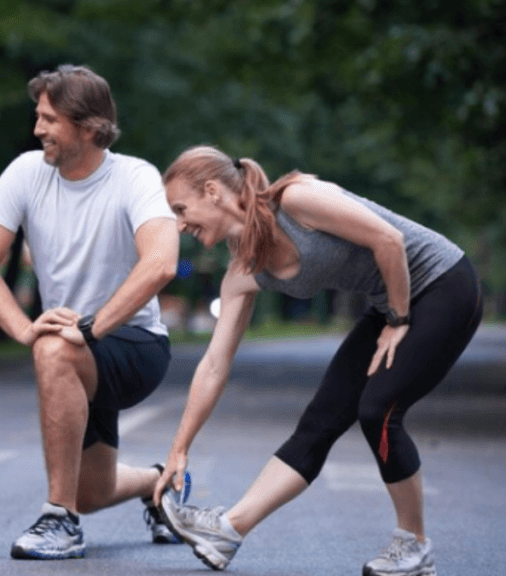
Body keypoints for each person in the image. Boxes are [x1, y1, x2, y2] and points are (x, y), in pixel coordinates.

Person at [152, 145, 483, 576]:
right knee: (320, 421)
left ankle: (414, 545)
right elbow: (214, 363)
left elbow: (390, 239)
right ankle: (228, 530)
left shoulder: (297, 200)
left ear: (213, 191)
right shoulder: (241, 272)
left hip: (444, 284)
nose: (179, 224)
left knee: (378, 409)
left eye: (181, 209)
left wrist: (399, 318)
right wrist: (179, 449)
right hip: (390, 303)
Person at [0, 64, 186, 560]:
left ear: (89, 128)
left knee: (56, 346)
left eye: (49, 119)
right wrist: (23, 328)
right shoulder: (26, 172)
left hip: (135, 344)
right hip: (75, 350)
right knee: (94, 492)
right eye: (37, 116)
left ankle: (59, 519)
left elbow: (161, 262)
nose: (37, 128)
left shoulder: (134, 177)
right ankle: (161, 483)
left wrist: (91, 327)